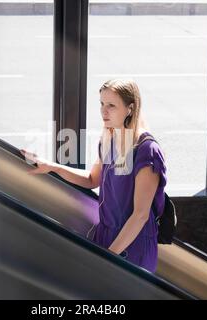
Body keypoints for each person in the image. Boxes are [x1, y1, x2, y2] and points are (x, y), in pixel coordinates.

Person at [20, 79, 167, 273]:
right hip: (105, 236)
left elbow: (140, 216)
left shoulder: (146, 150)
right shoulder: (111, 137)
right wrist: (53, 167)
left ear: (130, 109)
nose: (103, 111)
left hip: (132, 243)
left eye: (111, 106)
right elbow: (92, 179)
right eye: (102, 104)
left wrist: (108, 257)